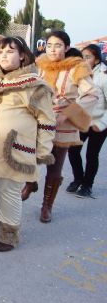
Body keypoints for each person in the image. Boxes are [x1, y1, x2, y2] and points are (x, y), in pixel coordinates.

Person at [0, 35, 55, 252]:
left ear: (23, 56)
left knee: (8, 193)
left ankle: (9, 234)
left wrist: (43, 151)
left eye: (10, 51)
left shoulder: (36, 86)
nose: (4, 56)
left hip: (15, 149)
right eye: (1, 52)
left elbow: (47, 121)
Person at [21, 31, 98, 222]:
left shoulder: (76, 67)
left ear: (67, 48)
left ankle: (47, 206)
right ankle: (31, 183)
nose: (53, 49)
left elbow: (91, 95)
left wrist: (66, 114)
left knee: (54, 166)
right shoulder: (39, 65)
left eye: (58, 45)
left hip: (62, 123)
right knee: (26, 155)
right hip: (38, 120)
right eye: (49, 45)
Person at [66, 44, 107, 198]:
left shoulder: (104, 76)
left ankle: (87, 185)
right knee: (73, 150)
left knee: (91, 154)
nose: (83, 60)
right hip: (82, 120)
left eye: (88, 57)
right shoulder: (78, 74)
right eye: (81, 57)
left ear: (96, 59)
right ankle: (78, 179)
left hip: (99, 122)